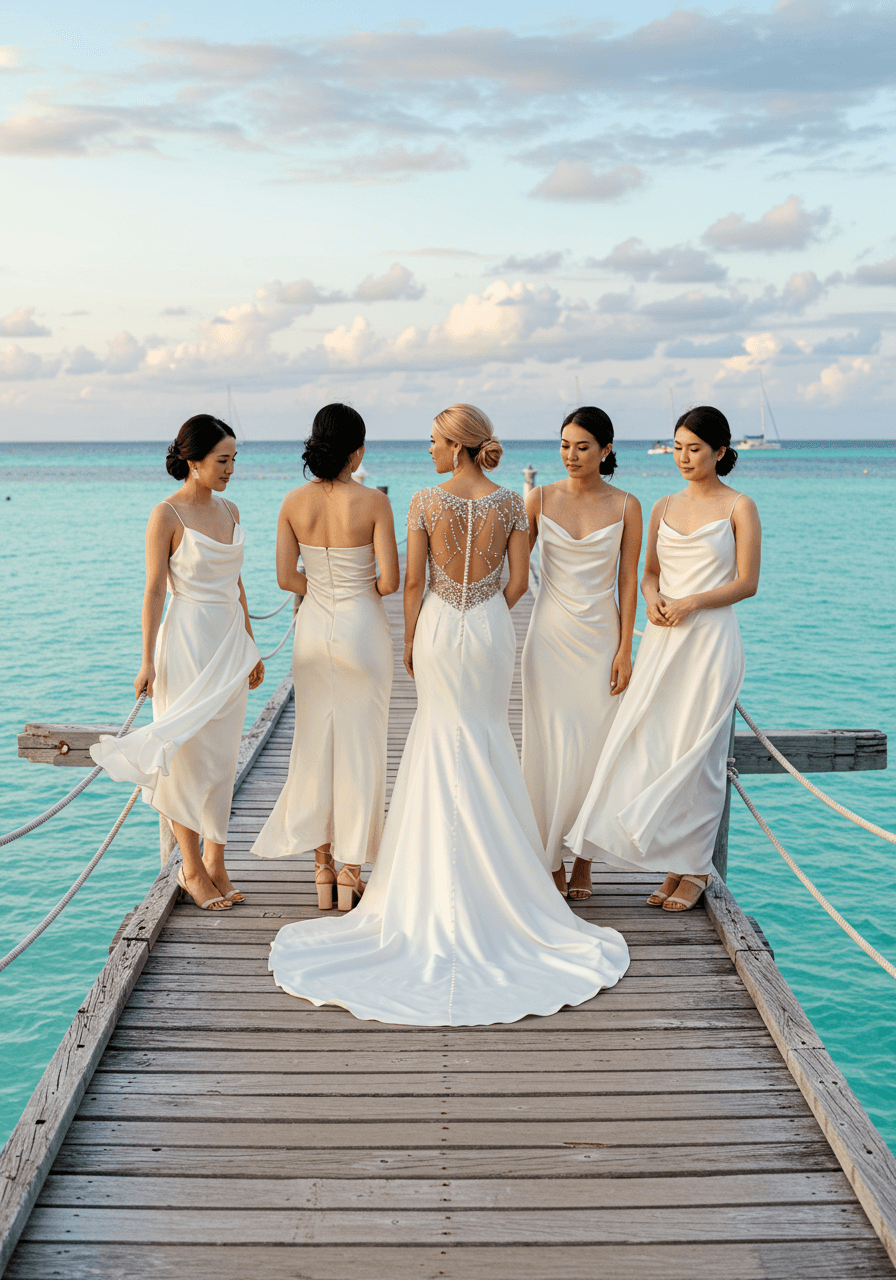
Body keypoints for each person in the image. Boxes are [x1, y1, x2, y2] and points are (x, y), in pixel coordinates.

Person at [265, 403, 630, 1025]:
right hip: (490, 631)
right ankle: (509, 882)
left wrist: (412, 637)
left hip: (436, 626)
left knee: (437, 738)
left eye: (434, 440)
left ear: (457, 447)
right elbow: (519, 582)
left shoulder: (422, 502)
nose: (428, 449)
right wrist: (483, 608)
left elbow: (411, 584)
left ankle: (414, 882)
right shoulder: (511, 505)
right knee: (486, 737)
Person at [566, 405, 761, 911]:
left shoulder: (740, 507)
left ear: (720, 452)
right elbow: (648, 572)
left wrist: (693, 600)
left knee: (701, 755)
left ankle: (693, 868)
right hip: (663, 639)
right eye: (677, 447)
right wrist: (653, 598)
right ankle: (670, 857)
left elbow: (748, 582)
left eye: (694, 449)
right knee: (654, 745)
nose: (684, 458)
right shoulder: (663, 506)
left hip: (711, 642)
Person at [91, 415, 264, 911]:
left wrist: (250, 642)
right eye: (222, 460)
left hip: (228, 644)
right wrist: (145, 660)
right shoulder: (166, 514)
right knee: (186, 759)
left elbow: (236, 583)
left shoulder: (230, 510)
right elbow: (152, 589)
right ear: (193, 461)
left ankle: (217, 862)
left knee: (221, 760)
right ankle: (191, 869)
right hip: (185, 645)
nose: (230, 469)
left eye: (233, 459)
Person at [252, 404, 399, 909]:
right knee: (362, 749)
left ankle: (321, 870)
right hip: (363, 630)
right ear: (356, 452)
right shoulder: (374, 503)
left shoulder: (293, 502)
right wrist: (356, 587)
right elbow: (390, 582)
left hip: (313, 631)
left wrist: (323, 588)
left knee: (314, 747)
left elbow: (285, 579)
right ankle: (352, 871)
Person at [522, 407, 642, 900]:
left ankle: (584, 861)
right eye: (565, 445)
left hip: (599, 641)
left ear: (606, 449)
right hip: (547, 639)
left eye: (583, 446)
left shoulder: (627, 505)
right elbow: (510, 572)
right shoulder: (539, 497)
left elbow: (630, 581)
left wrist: (624, 649)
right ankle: (548, 857)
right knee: (547, 749)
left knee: (597, 750)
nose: (571, 455)